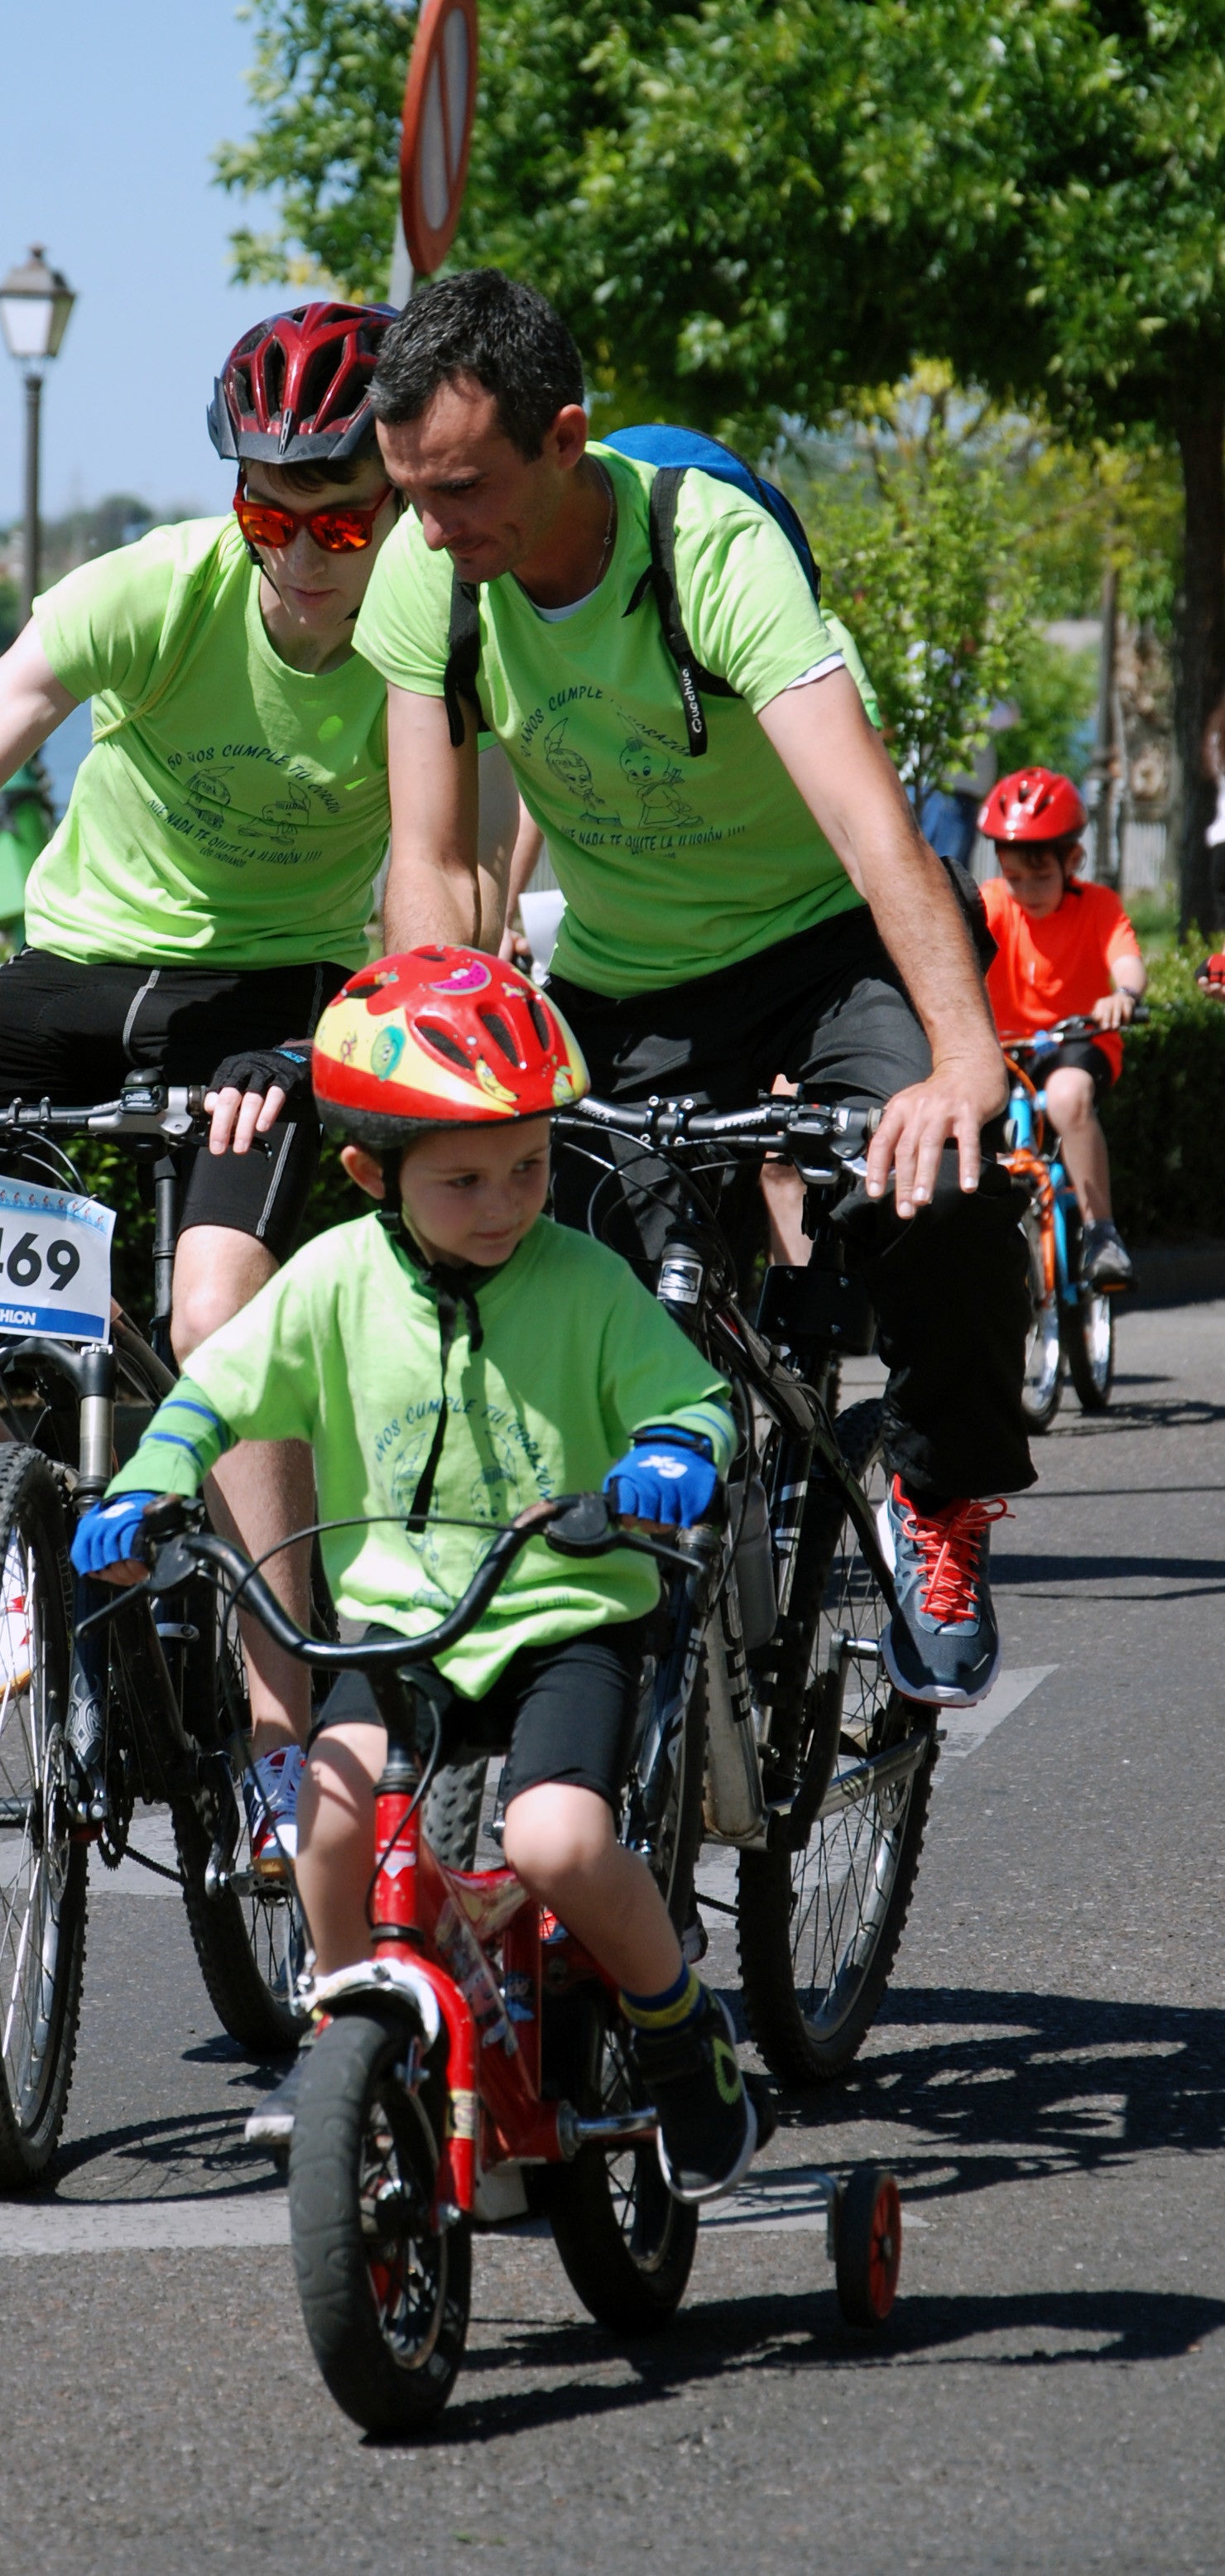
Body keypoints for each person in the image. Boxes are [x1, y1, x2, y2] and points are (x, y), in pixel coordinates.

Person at [0, 302, 518, 1862]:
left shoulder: (436, 621)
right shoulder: (154, 587)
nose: (302, 555)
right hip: (73, 974)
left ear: (396, 507)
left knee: (220, 1306)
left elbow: (471, 867)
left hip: (278, 992)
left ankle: (292, 1724)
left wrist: (344, 1039)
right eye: (268, 515)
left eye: (341, 517)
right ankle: (33, 1498)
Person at [348, 268, 1035, 1711]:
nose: (434, 526)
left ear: (565, 438)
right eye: (412, 492)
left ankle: (939, 1502)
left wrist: (966, 1060)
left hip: (818, 941)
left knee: (944, 1183)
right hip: (624, 978)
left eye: (463, 487)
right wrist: (442, 1072)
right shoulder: (434, 576)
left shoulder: (706, 550)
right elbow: (427, 859)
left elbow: (869, 827)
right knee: (527, 1244)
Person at [74, 947, 768, 2203]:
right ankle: (356, 2041)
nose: (507, 1202)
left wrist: (671, 1455)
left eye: (530, 1166)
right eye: (463, 1180)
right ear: (367, 1174)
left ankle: (678, 2029)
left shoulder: (587, 1282)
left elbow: (695, 1402)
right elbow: (215, 1391)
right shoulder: (334, 1283)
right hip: (394, 1626)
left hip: (565, 1616)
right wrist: (145, 1484)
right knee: (330, 1828)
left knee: (558, 1839)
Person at [978, 767, 1146, 1290]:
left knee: (1070, 1097)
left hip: (1077, 1044)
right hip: (1006, 1051)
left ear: (1073, 860)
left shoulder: (1098, 906)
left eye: (1040, 875)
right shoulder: (992, 904)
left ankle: (1101, 1233)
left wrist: (1123, 996)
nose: (1025, 890)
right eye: (1014, 876)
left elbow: (1128, 962)